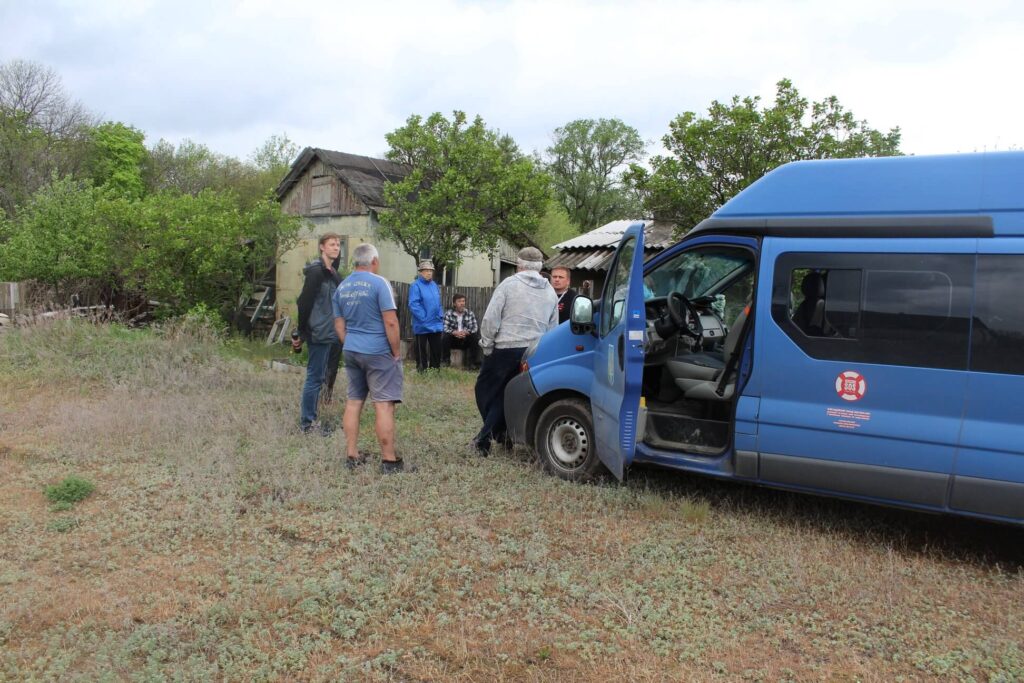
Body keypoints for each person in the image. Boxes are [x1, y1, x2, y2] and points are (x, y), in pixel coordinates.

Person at [332, 243, 411, 474]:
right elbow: (391, 321)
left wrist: (351, 344)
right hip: (378, 352)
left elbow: (339, 324)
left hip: (352, 350)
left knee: (354, 401)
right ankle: (389, 461)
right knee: (384, 404)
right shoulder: (380, 283)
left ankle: (352, 454)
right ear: (374, 261)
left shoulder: (342, 287)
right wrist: (396, 353)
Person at [472, 246, 558, 456]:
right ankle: (503, 435)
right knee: (511, 395)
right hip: (533, 351)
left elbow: (492, 317)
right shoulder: (550, 292)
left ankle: (485, 438)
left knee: (485, 391)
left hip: (505, 349)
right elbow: (553, 327)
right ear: (539, 267)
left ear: (519, 265)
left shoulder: (509, 285)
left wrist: (487, 343)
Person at [294, 233, 344, 434]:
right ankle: (307, 424)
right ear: (322, 247)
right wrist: (301, 331)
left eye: (339, 244)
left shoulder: (333, 273)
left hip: (331, 332)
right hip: (318, 331)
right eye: (332, 244)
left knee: (322, 376)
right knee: (314, 377)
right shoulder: (316, 272)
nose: (336, 247)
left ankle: (313, 418)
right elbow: (303, 302)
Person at [409, 259, 443, 373]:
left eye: (431, 270)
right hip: (422, 324)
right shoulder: (415, 286)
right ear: (420, 272)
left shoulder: (434, 285)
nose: (429, 273)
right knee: (421, 349)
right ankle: (421, 370)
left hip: (435, 323)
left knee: (436, 348)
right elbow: (414, 304)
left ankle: (434, 370)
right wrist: (424, 318)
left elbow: (438, 302)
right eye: (426, 270)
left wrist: (440, 315)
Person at [442, 293, 481, 369]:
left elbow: (475, 328)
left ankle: (472, 363)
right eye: (459, 301)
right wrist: (454, 332)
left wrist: (465, 332)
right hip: (453, 339)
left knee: (475, 338)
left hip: (465, 339)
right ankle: (445, 361)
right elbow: (444, 327)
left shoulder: (470, 313)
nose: (462, 303)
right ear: (454, 303)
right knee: (445, 337)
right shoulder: (448, 314)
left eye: (463, 301)